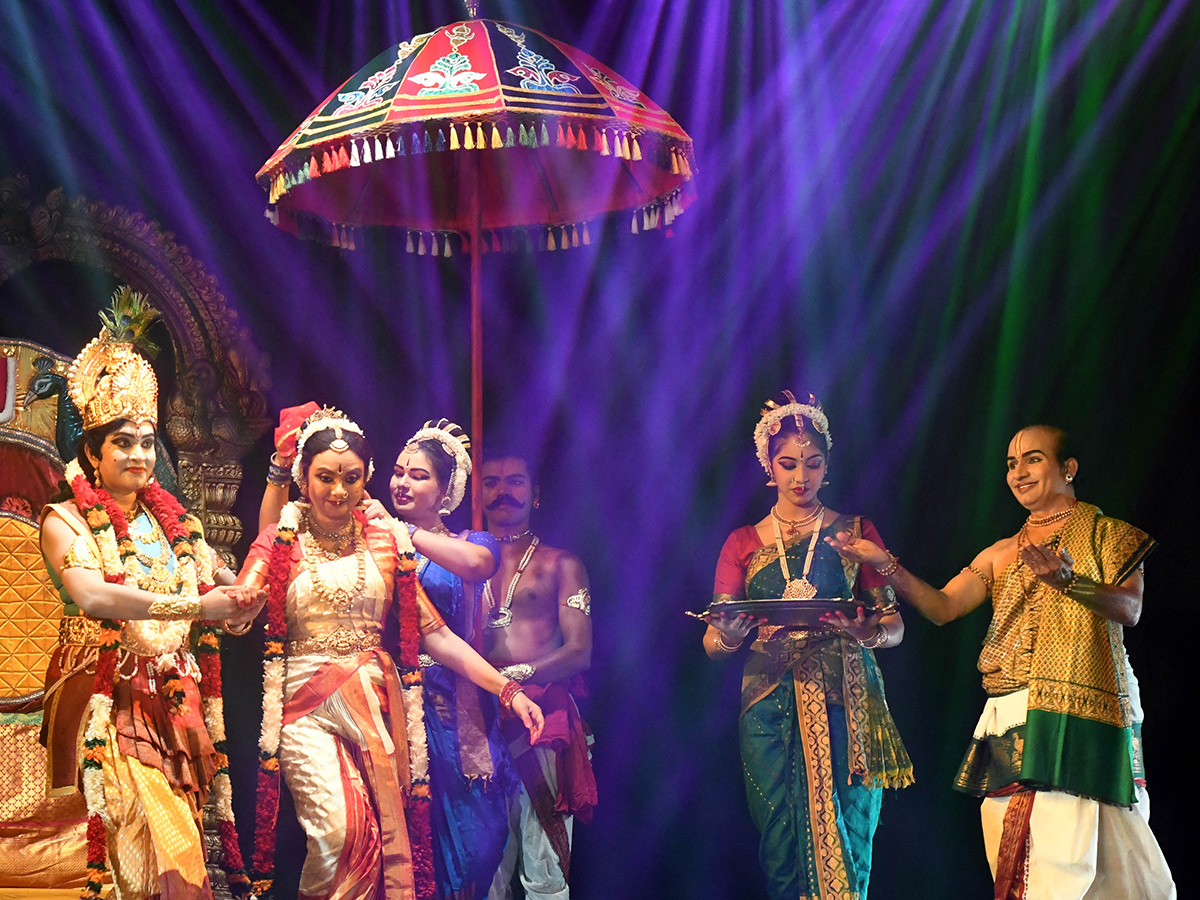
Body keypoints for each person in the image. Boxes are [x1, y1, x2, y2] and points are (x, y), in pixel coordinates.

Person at [828, 424, 1176, 899]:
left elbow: (1130, 610)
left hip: (1085, 710)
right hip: (1011, 710)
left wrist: (1069, 582)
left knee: (1100, 848)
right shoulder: (1001, 552)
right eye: (1011, 464)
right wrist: (882, 561)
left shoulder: (1109, 536)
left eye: (1033, 459)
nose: (1018, 473)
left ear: (1068, 469)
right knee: (1026, 844)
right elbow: (943, 606)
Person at [238, 407, 545, 900]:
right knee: (340, 836)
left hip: (404, 710)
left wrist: (509, 691)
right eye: (325, 477)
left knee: (413, 846)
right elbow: (253, 579)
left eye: (352, 478)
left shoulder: (392, 541)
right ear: (305, 477)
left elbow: (438, 633)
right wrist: (226, 604)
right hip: (320, 704)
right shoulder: (290, 535)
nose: (339, 490)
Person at [38, 289, 258, 900]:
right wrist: (199, 608)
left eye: (146, 442)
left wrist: (244, 605)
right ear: (91, 451)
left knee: (174, 851)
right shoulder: (67, 520)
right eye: (123, 443)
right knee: (150, 855)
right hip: (106, 699)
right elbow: (96, 598)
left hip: (173, 701)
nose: (139, 455)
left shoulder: (173, 522)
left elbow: (221, 589)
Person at [702, 391, 913, 900]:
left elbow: (895, 623)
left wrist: (871, 634)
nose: (802, 477)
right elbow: (713, 638)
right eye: (788, 464)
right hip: (767, 699)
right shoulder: (742, 542)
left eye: (813, 464)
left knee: (851, 823)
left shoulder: (855, 532)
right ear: (768, 467)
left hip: (847, 692)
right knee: (779, 833)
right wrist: (727, 639)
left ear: (827, 465)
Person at [478, 452, 597, 900]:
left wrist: (516, 677)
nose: (502, 491)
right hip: (477, 721)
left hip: (542, 722)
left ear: (536, 493)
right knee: (483, 863)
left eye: (515, 482)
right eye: (490, 482)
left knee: (545, 860)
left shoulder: (560, 564)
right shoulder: (461, 561)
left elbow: (579, 651)